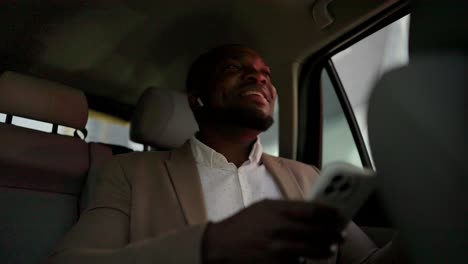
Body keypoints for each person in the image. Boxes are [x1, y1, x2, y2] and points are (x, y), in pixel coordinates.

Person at [48, 45, 404, 264]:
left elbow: (368, 262)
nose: (258, 77)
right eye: (234, 68)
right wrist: (209, 245)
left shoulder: (307, 176)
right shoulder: (130, 172)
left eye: (266, 74)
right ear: (196, 98)